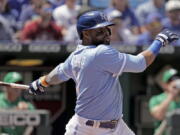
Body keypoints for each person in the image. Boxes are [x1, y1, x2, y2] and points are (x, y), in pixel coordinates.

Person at [28, 10, 179, 135]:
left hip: (112, 126)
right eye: (100, 30)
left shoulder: (75, 55)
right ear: (86, 34)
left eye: (107, 29)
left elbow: (59, 72)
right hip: (88, 130)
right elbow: (140, 64)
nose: (107, 33)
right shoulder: (101, 52)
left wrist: (42, 82)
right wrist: (159, 41)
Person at [149, 68, 180, 135]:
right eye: (171, 80)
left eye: (177, 78)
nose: (176, 82)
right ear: (165, 85)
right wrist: (171, 95)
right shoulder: (156, 99)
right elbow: (158, 115)